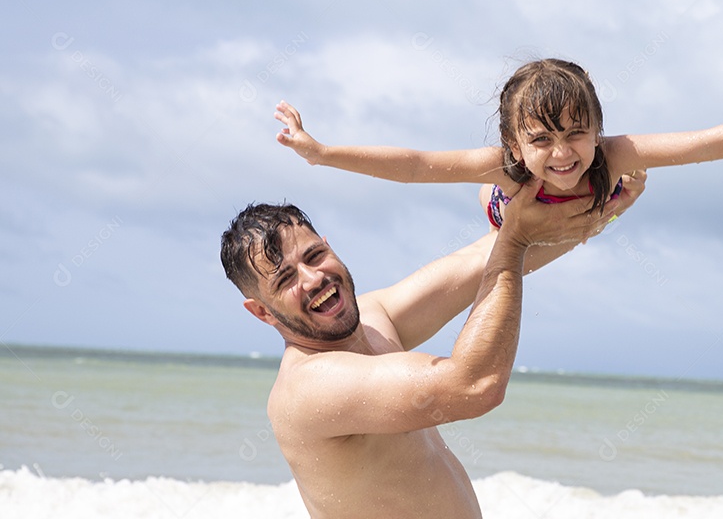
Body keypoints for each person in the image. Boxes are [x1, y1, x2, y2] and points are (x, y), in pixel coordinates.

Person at [219, 172, 644, 519]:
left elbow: (487, 258)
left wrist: (604, 207)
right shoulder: (310, 386)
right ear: (262, 312)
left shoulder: (375, 318)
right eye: (286, 279)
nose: (313, 279)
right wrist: (514, 239)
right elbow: (475, 385)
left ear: (329, 246)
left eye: (313, 257)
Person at [274, 58, 723, 228]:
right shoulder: (502, 167)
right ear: (513, 141)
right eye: (542, 139)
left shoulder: (611, 154)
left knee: (624, 188)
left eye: (578, 133)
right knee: (492, 195)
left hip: (586, 206)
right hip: (511, 211)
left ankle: (609, 205)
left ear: (598, 129)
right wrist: (323, 153)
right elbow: (418, 165)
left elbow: (703, 144)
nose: (563, 153)